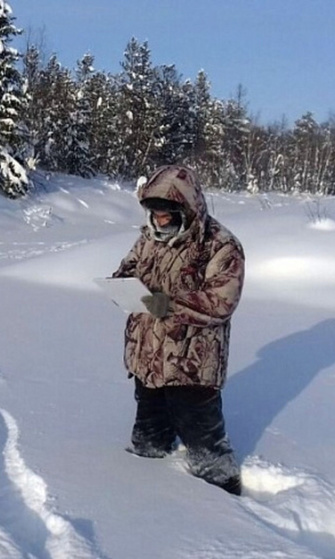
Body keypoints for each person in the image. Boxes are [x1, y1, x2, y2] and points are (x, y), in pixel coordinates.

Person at [112, 164, 245, 495]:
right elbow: (126, 271)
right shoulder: (147, 239)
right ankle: (149, 504)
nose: (159, 220)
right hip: (147, 360)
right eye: (154, 213)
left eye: (167, 213)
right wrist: (120, 289)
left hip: (192, 365)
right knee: (147, 444)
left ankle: (228, 507)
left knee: (207, 451)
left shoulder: (220, 245)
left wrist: (168, 304)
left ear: (187, 207)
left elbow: (221, 302)